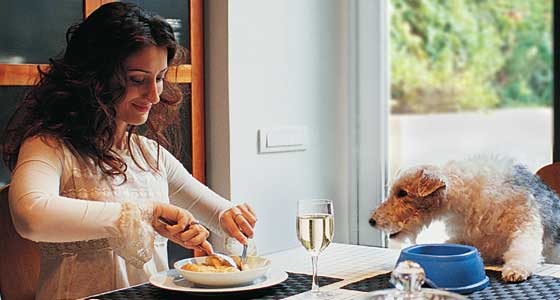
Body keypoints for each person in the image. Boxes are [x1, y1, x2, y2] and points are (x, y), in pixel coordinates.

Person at [0, 2, 256, 299]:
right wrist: (144, 215)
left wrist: (230, 215)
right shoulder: (48, 147)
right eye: (138, 80)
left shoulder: (150, 155)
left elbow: (216, 210)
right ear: (95, 77)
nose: (155, 94)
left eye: (159, 77)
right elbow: (31, 217)